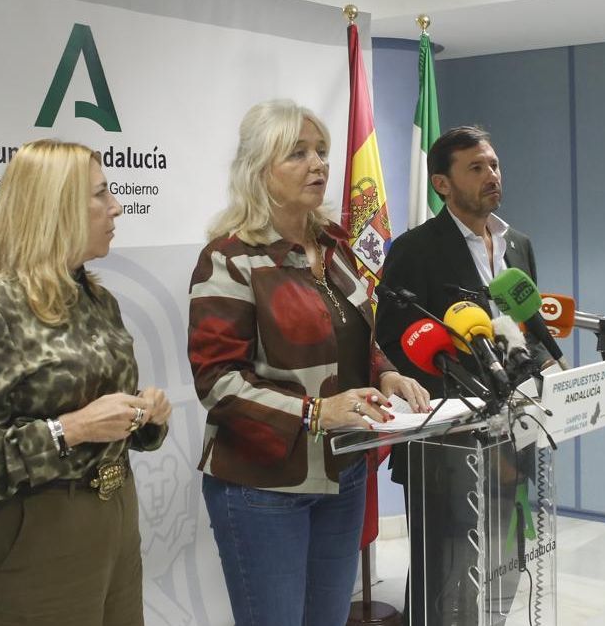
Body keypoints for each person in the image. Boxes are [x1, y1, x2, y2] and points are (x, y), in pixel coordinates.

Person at [188, 99, 431, 626]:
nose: (319, 164)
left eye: (321, 151)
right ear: (259, 169)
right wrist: (316, 412)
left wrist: (386, 372)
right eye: (297, 153)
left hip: (342, 474)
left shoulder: (336, 246)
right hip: (263, 487)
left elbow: (356, 333)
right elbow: (217, 382)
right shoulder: (231, 258)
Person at [0, 138, 171, 626]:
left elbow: (105, 414)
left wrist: (143, 418)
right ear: (55, 208)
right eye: (101, 194)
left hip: (114, 520)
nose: (117, 207)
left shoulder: (96, 298)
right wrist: (71, 430)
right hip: (35, 534)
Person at [376, 125, 555, 626]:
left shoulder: (518, 244)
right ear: (442, 184)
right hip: (443, 444)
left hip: (512, 440)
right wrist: (454, 392)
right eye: (475, 168)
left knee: (502, 565)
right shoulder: (415, 250)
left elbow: (530, 326)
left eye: (493, 165)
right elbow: (392, 339)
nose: (491, 175)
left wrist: (546, 363)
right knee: (444, 575)